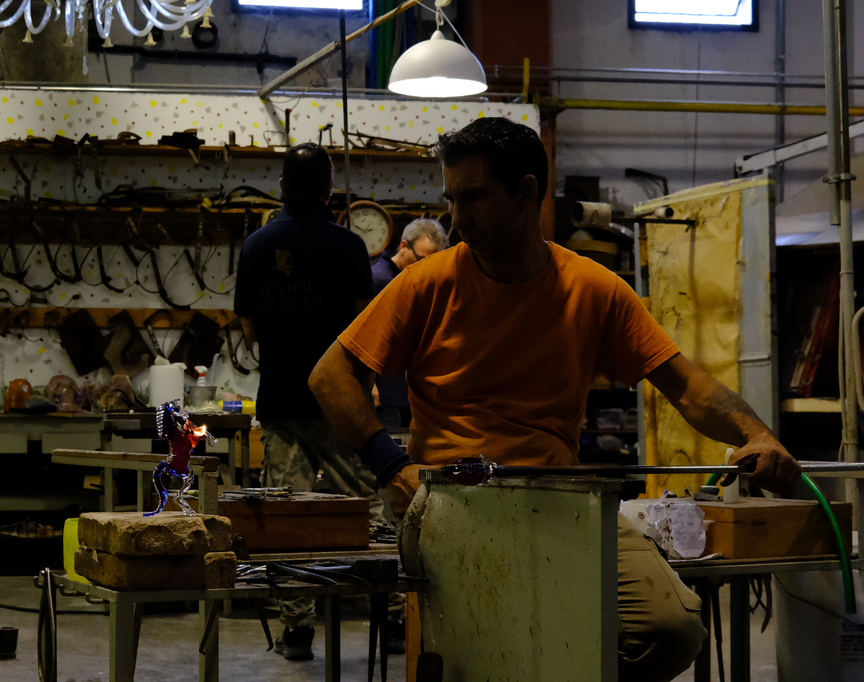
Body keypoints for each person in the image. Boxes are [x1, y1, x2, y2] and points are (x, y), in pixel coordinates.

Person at [308, 117, 801, 682]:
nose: (456, 219)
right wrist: (391, 468)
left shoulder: (593, 289)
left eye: (473, 198)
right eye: (451, 200)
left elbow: (687, 386)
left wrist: (755, 434)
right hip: (455, 499)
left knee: (670, 629)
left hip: (560, 500)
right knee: (483, 655)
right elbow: (330, 375)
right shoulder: (427, 284)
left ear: (525, 193)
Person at [234, 142, 383, 662]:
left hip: (280, 401)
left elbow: (250, 331)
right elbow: (368, 325)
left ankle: (297, 633)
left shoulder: (255, 247)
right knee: (367, 510)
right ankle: (390, 616)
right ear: (329, 191)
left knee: (287, 522)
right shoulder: (349, 248)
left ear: (280, 187)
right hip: (340, 403)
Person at [370, 218, 448, 429]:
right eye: (421, 259)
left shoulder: (416, 282)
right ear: (404, 246)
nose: (426, 267)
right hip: (385, 394)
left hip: (407, 392)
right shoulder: (379, 280)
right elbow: (368, 339)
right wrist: (372, 385)